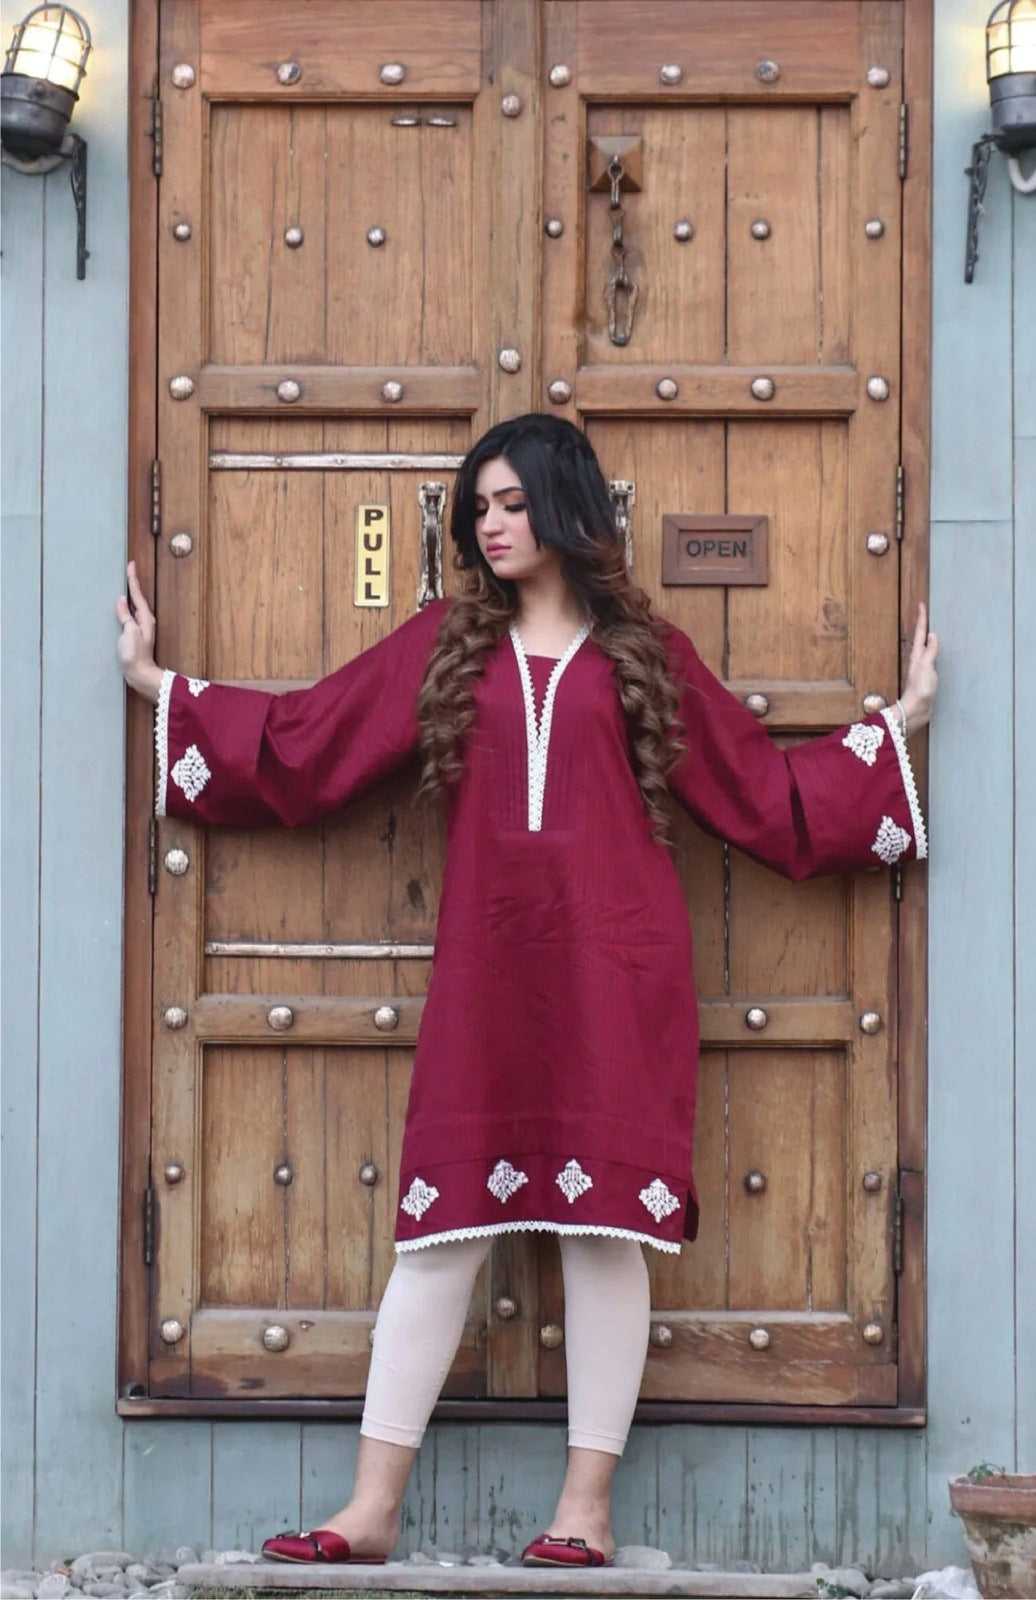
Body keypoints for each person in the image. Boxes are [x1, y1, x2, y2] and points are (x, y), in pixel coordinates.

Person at [117, 413, 939, 1569]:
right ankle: (370, 1508)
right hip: (488, 977)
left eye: (510, 503)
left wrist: (895, 730)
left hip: (617, 975)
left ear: (565, 507)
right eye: (479, 507)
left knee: (604, 1234)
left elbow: (760, 790)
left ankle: (583, 1510)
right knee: (439, 1230)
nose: (490, 525)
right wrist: (163, 687)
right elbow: (310, 739)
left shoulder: (645, 654)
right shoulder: (448, 647)